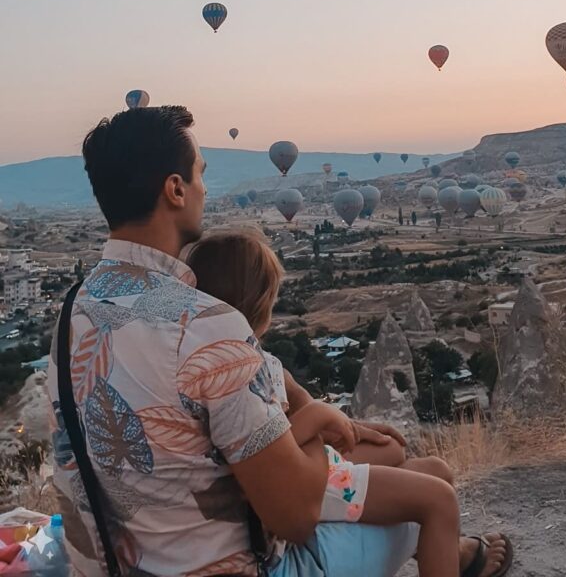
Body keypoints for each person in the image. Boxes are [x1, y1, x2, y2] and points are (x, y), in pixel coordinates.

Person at [47, 106, 511, 577]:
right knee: (429, 494)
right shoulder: (206, 325)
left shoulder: (72, 314)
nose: (205, 190)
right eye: (200, 175)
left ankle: (458, 554)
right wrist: (316, 418)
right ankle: (453, 554)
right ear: (175, 189)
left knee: (410, 477)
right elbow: (294, 516)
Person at [188, 232, 510, 577]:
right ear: (262, 304)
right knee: (438, 496)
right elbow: (259, 453)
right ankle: (446, 548)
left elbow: (305, 410)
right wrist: (315, 418)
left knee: (402, 453)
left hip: (304, 470)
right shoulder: (240, 372)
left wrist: (348, 426)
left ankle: (452, 552)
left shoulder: (257, 362)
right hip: (292, 490)